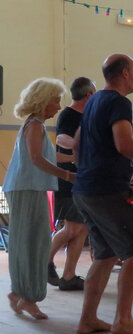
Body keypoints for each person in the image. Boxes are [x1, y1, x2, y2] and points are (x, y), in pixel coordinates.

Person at [72, 53, 133, 334]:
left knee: (104, 255)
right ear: (125, 74)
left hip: (85, 189)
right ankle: (123, 319)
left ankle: (88, 319)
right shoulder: (119, 102)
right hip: (106, 191)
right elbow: (124, 144)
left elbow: (78, 141)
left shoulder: (93, 100)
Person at [4, 78, 75, 319]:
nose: (58, 106)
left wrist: (74, 160)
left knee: (33, 242)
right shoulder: (35, 125)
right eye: (55, 100)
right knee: (31, 243)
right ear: (44, 101)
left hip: (27, 188)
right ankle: (26, 296)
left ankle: (22, 296)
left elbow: (47, 156)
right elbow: (36, 159)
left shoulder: (35, 125)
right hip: (26, 188)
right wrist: (67, 175)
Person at [48, 77, 95, 291]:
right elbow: (61, 140)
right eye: (94, 93)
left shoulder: (88, 116)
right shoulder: (68, 115)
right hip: (68, 180)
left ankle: (69, 276)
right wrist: (80, 150)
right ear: (88, 95)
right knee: (72, 227)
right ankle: (44, 261)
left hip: (83, 180)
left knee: (82, 228)